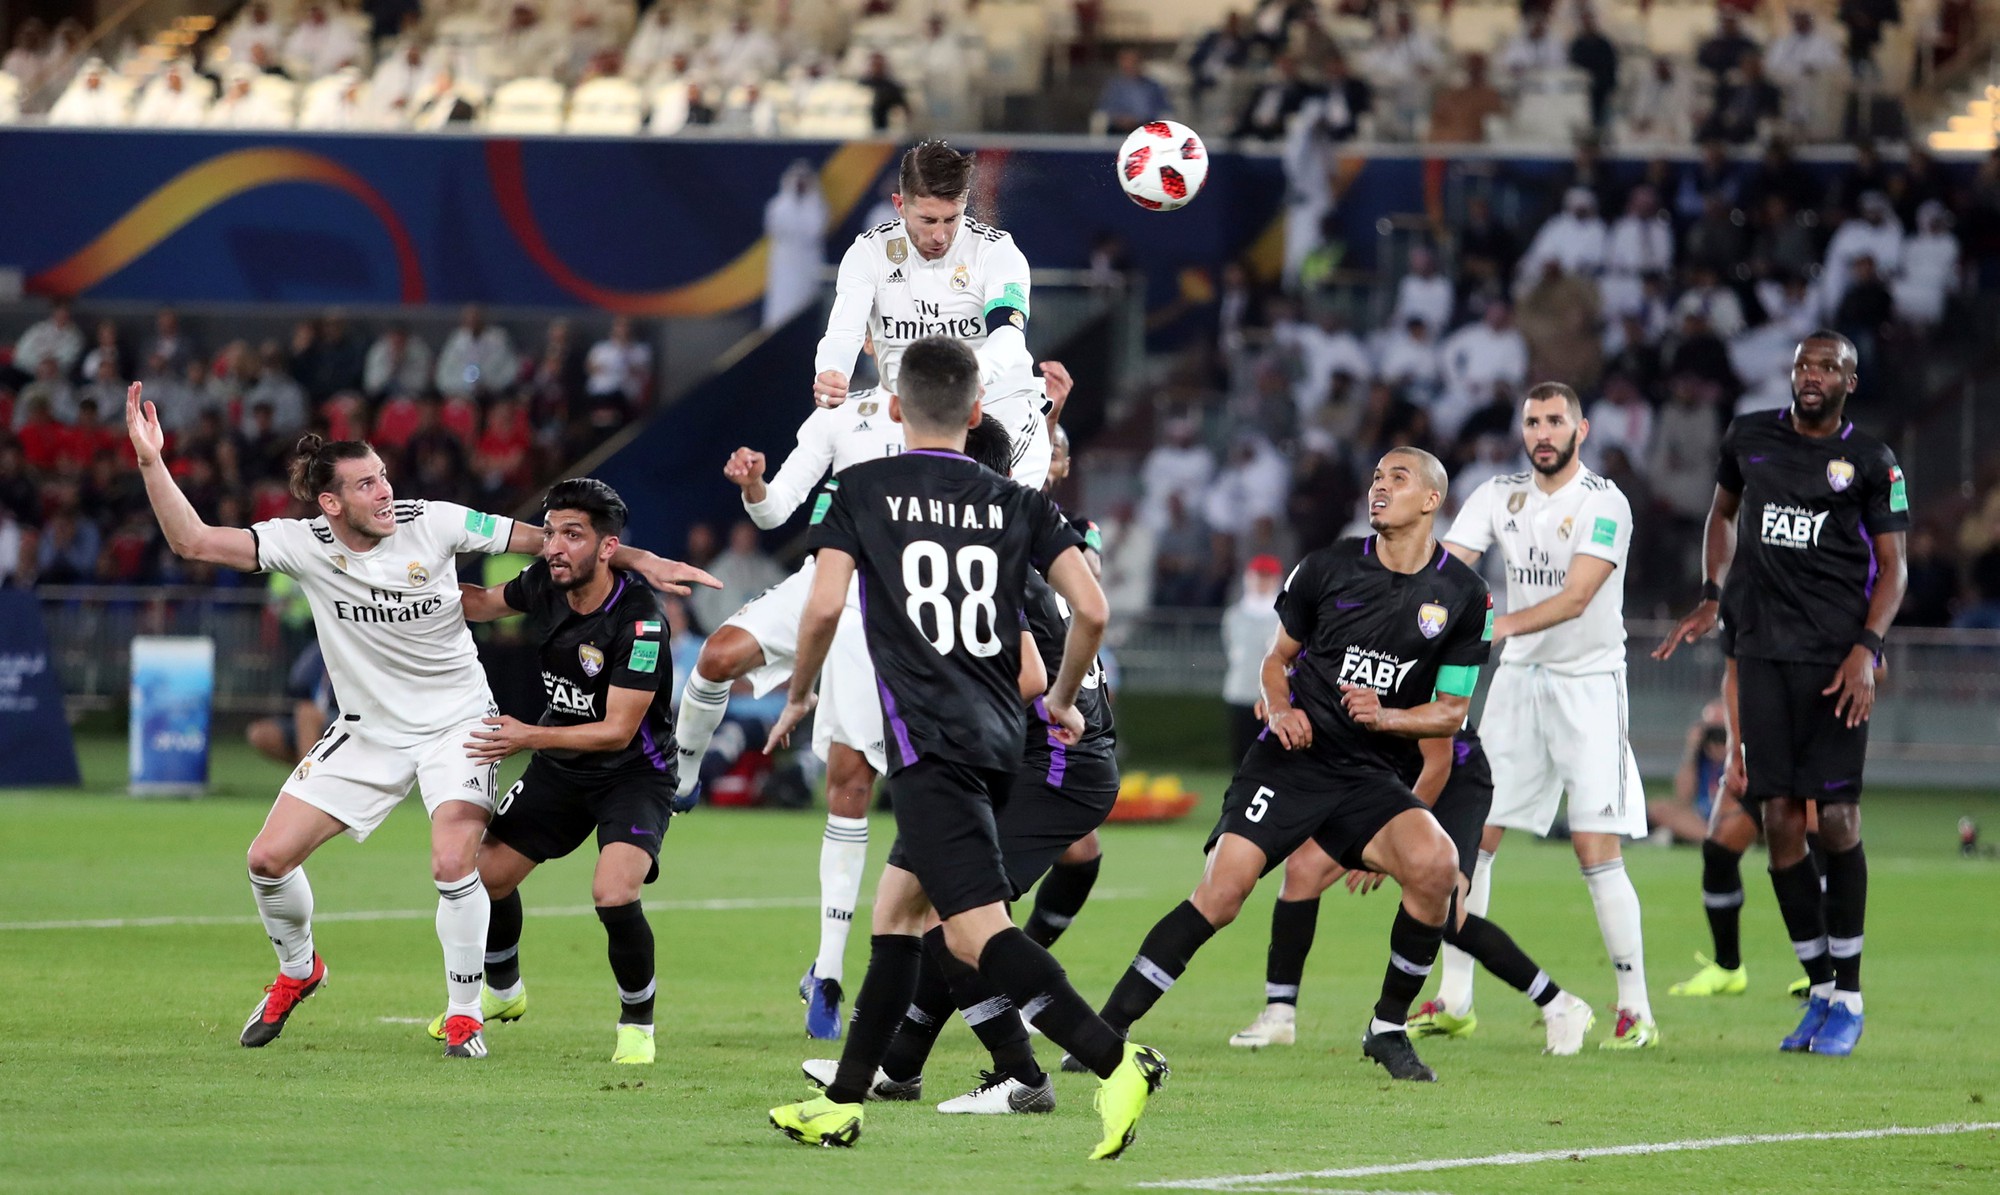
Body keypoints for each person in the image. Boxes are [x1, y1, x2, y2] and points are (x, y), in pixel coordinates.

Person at [121, 382, 713, 1058]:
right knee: (266, 858)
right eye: (367, 483)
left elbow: (552, 541)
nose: (385, 491)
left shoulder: (433, 520)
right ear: (330, 502)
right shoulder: (301, 544)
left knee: (453, 859)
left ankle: (466, 1013)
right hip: (366, 729)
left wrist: (634, 556)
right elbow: (194, 541)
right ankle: (298, 969)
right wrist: (150, 461)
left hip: (458, 723)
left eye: (383, 476)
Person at [763, 337, 1165, 1158]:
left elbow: (822, 606)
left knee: (975, 931)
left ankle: (1114, 1062)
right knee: (898, 915)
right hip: (993, 739)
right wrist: (1059, 698)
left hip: (930, 739)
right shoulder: (1019, 503)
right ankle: (844, 1100)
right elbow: (1091, 612)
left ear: (896, 408)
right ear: (978, 412)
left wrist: (801, 692)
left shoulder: (862, 487)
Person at [1091, 446, 1490, 1083]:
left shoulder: (1465, 596)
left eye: (1398, 477)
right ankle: (1106, 1027)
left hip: (1369, 778)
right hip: (1293, 760)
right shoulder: (1327, 568)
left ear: (1432, 501)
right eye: (1377, 474)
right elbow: (1275, 662)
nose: (1379, 486)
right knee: (1222, 895)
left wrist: (1385, 718)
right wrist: (1280, 709)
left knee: (1436, 866)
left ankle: (1387, 1028)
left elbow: (1450, 713)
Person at [807, 415, 1122, 1115]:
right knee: (902, 907)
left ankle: (1037, 1071)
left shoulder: (978, 552)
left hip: (1053, 760)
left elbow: (1032, 676)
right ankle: (890, 1070)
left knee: (960, 921)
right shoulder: (1002, 536)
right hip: (996, 756)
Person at [1654, 331, 1909, 1056]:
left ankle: (1850, 996)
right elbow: (1723, 514)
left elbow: (1893, 567)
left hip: (1834, 661)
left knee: (1835, 817)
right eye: (1803, 364)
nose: (1811, 375)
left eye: (1827, 367)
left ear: (1848, 382)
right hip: (1761, 650)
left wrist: (1868, 647)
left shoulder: (1872, 462)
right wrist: (1712, 591)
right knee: (1780, 821)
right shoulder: (1749, 437)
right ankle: (1820, 987)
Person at [674, 382, 909, 1039]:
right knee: (718, 655)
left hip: (894, 599)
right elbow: (777, 510)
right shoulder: (844, 410)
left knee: (851, 783)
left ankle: (827, 974)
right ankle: (684, 772)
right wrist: (754, 485)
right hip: (825, 576)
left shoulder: (952, 395)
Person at [1438, 382, 1657, 1049]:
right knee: (1471, 836)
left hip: (1589, 686)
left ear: (1580, 430)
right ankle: (1454, 996)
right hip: (1517, 685)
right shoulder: (1497, 493)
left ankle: (1634, 1007)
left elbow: (1577, 597)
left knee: (1596, 846)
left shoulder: (1604, 503)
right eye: (1532, 420)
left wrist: (1492, 626)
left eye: (1555, 420)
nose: (1542, 431)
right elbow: (1448, 570)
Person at [438, 479, 680, 1065]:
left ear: (607, 548)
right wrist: (406, 573)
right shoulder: (544, 585)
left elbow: (618, 730)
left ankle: (637, 1025)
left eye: (572, 535)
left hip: (632, 774)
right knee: (482, 877)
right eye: (550, 533)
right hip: (560, 768)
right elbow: (477, 603)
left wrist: (526, 735)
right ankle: (503, 992)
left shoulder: (641, 622)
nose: (554, 547)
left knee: (613, 892)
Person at [1226, 728, 1596, 1055]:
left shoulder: (1422, 651)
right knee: (1303, 869)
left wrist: (1394, 831)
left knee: (1448, 915)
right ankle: (1279, 1014)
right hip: (1382, 774)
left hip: (1451, 778)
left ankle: (1559, 1004)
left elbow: (1438, 760)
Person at [813, 140, 1054, 490]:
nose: (940, 235)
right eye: (927, 220)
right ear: (899, 205)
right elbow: (843, 333)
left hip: (1000, 417)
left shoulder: (997, 252)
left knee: (978, 526)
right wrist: (831, 371)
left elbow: (1009, 335)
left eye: (951, 218)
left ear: (965, 204)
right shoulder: (868, 254)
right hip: (917, 424)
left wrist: (970, 375)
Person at [1222, 555, 1284, 762]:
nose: (1261, 583)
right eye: (1258, 577)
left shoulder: (1283, 615)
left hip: (1274, 695)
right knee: (1242, 753)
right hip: (1241, 692)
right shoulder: (1235, 615)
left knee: (1272, 754)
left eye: (1267, 577)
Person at [246, 642, 336, 765]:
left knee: (306, 714)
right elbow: (297, 681)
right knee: (259, 734)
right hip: (311, 715)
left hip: (340, 717)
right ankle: (315, 770)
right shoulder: (319, 649)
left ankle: (308, 778)